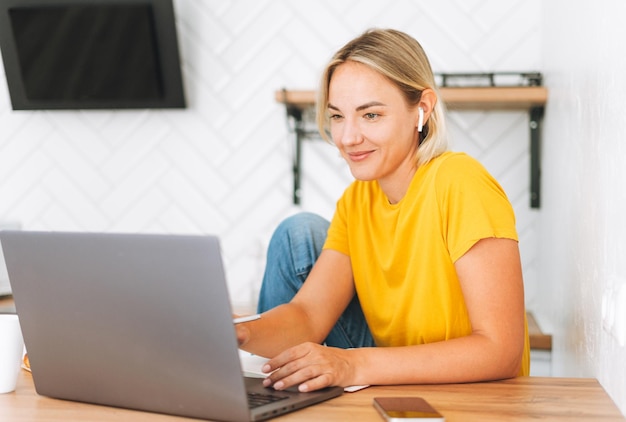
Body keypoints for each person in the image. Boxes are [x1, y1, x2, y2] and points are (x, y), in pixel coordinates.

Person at [236, 28, 530, 393]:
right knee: (296, 232)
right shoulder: (357, 200)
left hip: (470, 394)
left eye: (370, 115)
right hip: (400, 379)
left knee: (301, 234)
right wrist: (239, 331)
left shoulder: (460, 181)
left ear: (421, 109)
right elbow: (309, 316)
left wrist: (352, 363)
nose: (347, 137)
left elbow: (501, 350)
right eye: (338, 116)